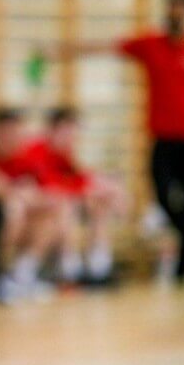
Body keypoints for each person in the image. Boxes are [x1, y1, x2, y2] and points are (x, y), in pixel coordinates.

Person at [44, 0, 184, 279]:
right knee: (162, 197)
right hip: (164, 138)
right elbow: (108, 46)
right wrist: (63, 51)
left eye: (181, 12)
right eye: (172, 11)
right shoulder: (151, 45)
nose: (176, 17)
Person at [23, 108, 127, 285]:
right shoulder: (36, 151)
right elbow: (50, 185)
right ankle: (68, 266)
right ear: (53, 130)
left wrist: (104, 187)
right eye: (68, 132)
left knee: (98, 204)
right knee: (65, 205)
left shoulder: (64, 155)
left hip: (55, 209)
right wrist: (88, 189)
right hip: (37, 214)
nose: (72, 138)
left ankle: (98, 264)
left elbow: (78, 177)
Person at [0, 108, 60, 302]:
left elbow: (45, 194)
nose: (13, 139)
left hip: (13, 223)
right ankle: (0, 275)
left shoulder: (25, 160)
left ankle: (21, 275)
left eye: (17, 134)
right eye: (8, 133)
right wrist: (15, 194)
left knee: (48, 216)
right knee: (13, 209)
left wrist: (28, 197)